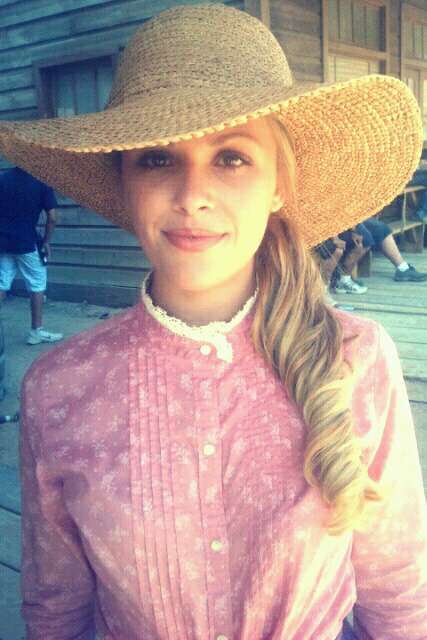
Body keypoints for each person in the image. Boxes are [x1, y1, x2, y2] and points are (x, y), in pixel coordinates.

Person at [0, 5, 426, 639]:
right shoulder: (60, 387)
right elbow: (55, 607)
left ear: (279, 184)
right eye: (157, 159)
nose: (192, 195)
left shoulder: (357, 357)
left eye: (230, 158)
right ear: (124, 185)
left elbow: (398, 592)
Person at [0, 167, 63, 344]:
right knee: (37, 284)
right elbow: (52, 217)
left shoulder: (2, 179)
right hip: (27, 242)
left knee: (2, 283)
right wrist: (46, 241)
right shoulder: (41, 180)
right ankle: (36, 332)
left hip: (3, 242)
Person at [340, 217, 427, 284]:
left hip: (354, 218)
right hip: (341, 221)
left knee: (381, 228)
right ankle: (343, 279)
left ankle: (403, 268)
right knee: (365, 238)